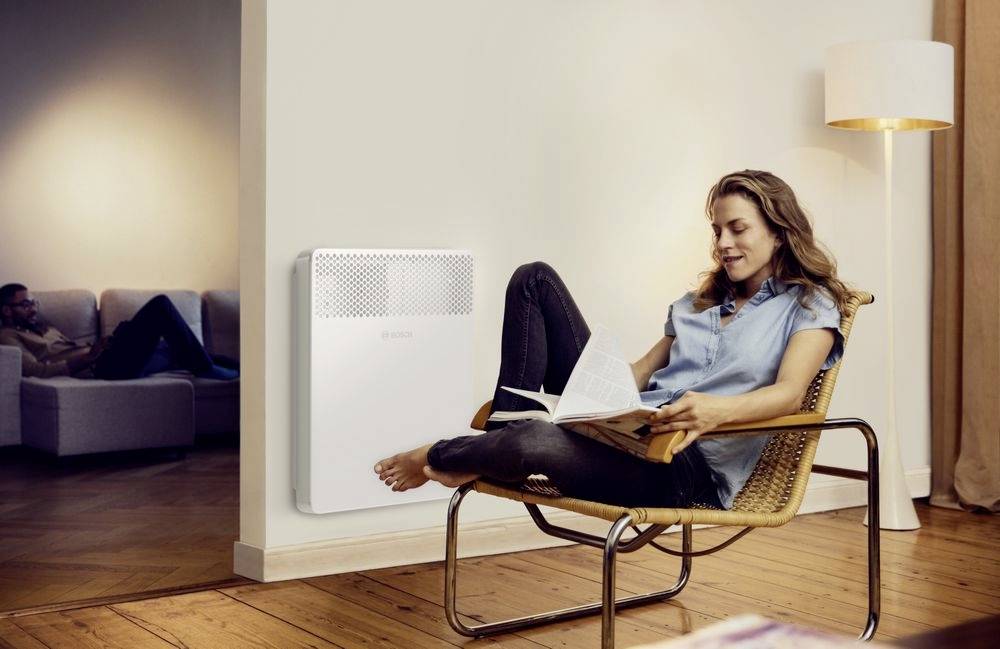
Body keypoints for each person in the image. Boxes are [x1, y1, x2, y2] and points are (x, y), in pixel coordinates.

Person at [375, 170, 850, 510]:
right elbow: (641, 371)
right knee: (534, 279)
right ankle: (502, 438)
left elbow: (789, 393)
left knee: (537, 440)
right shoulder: (698, 302)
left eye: (738, 229)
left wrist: (715, 410)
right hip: (625, 434)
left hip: (683, 468)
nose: (723, 243)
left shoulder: (810, 304)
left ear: (779, 232)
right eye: (717, 231)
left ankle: (442, 453)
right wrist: (592, 399)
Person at [0, 286, 238, 381]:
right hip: (102, 367)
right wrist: (86, 358)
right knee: (160, 306)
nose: (33, 309)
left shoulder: (43, 327)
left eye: (34, 303)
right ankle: (207, 369)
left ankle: (242, 369)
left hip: (107, 356)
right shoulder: (8, 337)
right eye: (25, 305)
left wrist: (101, 345)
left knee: (178, 348)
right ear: (6, 311)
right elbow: (35, 371)